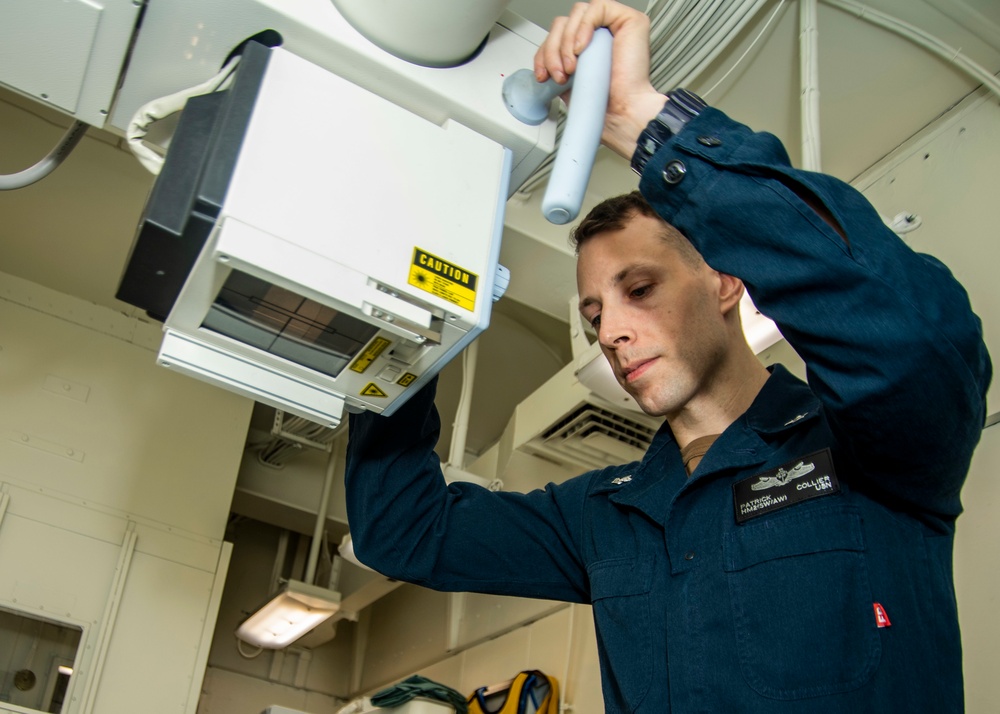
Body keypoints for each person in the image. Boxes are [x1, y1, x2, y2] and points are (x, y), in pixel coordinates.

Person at [344, 1, 992, 711]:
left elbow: (913, 337)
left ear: (724, 279)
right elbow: (404, 532)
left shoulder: (872, 456)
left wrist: (644, 124)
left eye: (640, 289)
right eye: (594, 316)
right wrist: (405, 323)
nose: (611, 332)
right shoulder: (603, 514)